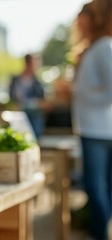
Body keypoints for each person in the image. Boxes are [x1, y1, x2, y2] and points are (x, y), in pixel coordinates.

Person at [72, 1, 112, 239]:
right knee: (101, 189)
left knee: (96, 188)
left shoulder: (103, 47)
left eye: (82, 17)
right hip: (95, 129)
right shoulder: (94, 48)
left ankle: (101, 234)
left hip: (99, 131)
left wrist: (76, 90)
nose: (78, 23)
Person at [9, 54, 45, 139]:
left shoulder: (37, 81)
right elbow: (11, 98)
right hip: (19, 115)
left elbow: (43, 100)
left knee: (34, 138)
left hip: (34, 116)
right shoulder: (16, 80)